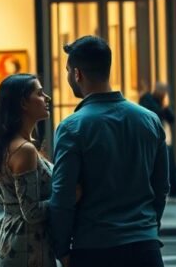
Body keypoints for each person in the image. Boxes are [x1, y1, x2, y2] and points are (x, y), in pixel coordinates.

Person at [50, 36, 168, 267]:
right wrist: (148, 230)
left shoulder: (72, 128)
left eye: (67, 71)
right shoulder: (150, 120)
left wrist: (62, 248)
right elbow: (161, 188)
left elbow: (63, 197)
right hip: (146, 249)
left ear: (77, 74)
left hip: (94, 249)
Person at [0, 73, 54, 267]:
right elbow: (32, 212)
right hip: (27, 248)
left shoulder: (7, 144)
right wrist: (69, 196)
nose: (47, 98)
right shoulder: (24, 150)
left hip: (9, 239)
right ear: (23, 103)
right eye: (39, 93)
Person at [139, 82, 176, 202]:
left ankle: (174, 190)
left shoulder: (161, 103)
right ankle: (167, 191)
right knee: (162, 166)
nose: (163, 95)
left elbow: (171, 118)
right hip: (154, 139)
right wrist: (162, 109)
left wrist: (165, 107)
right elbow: (153, 113)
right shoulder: (147, 99)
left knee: (169, 164)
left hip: (165, 139)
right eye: (163, 92)